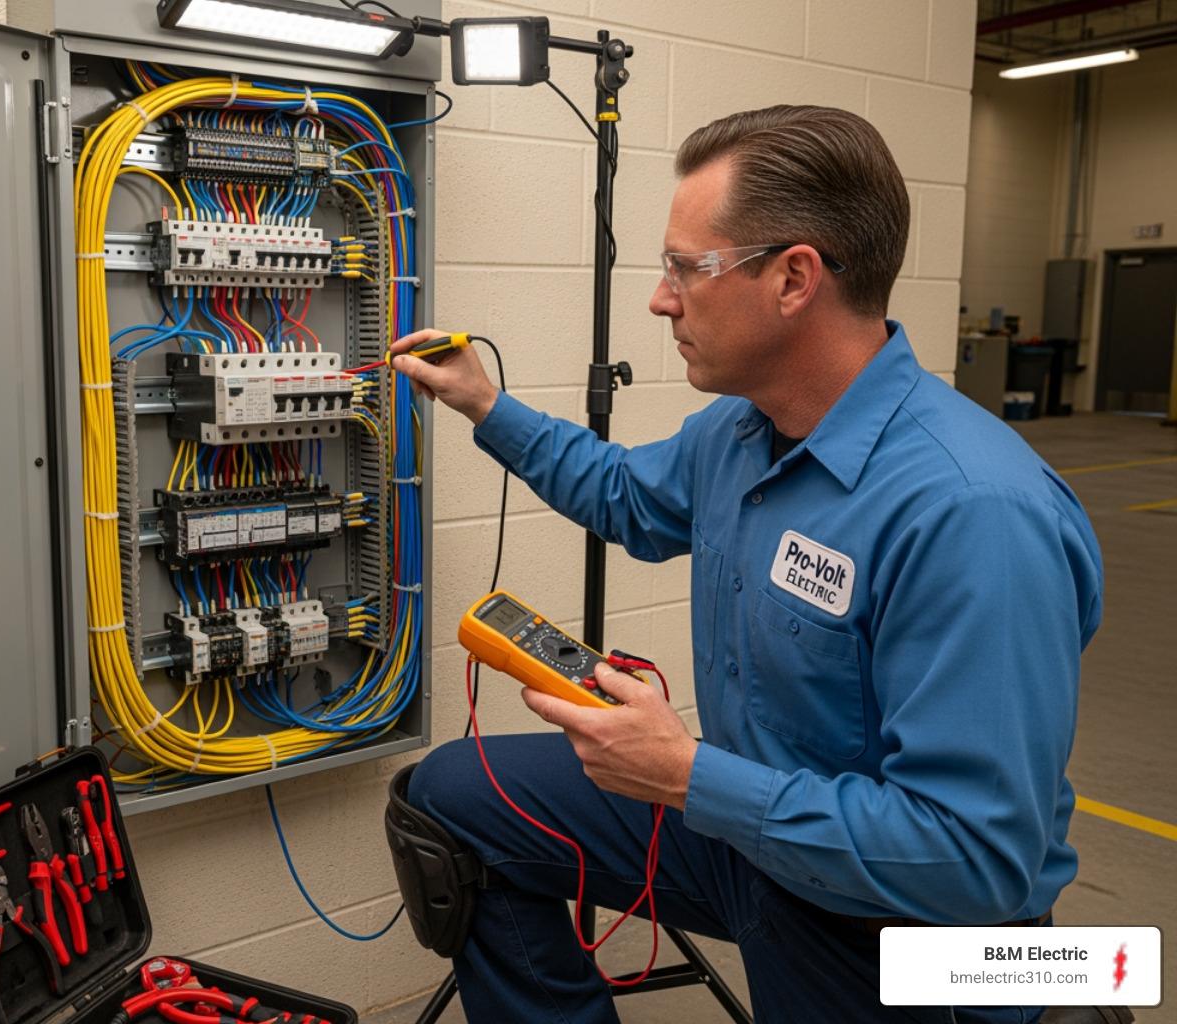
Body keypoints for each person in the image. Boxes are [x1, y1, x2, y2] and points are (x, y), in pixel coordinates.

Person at [387, 106, 1103, 1024]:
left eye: (688, 268)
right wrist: (487, 405)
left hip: (915, 930)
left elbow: (975, 860)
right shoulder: (741, 431)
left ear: (794, 279)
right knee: (454, 798)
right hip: (747, 836)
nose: (660, 297)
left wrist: (687, 777)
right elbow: (627, 499)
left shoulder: (973, 513)